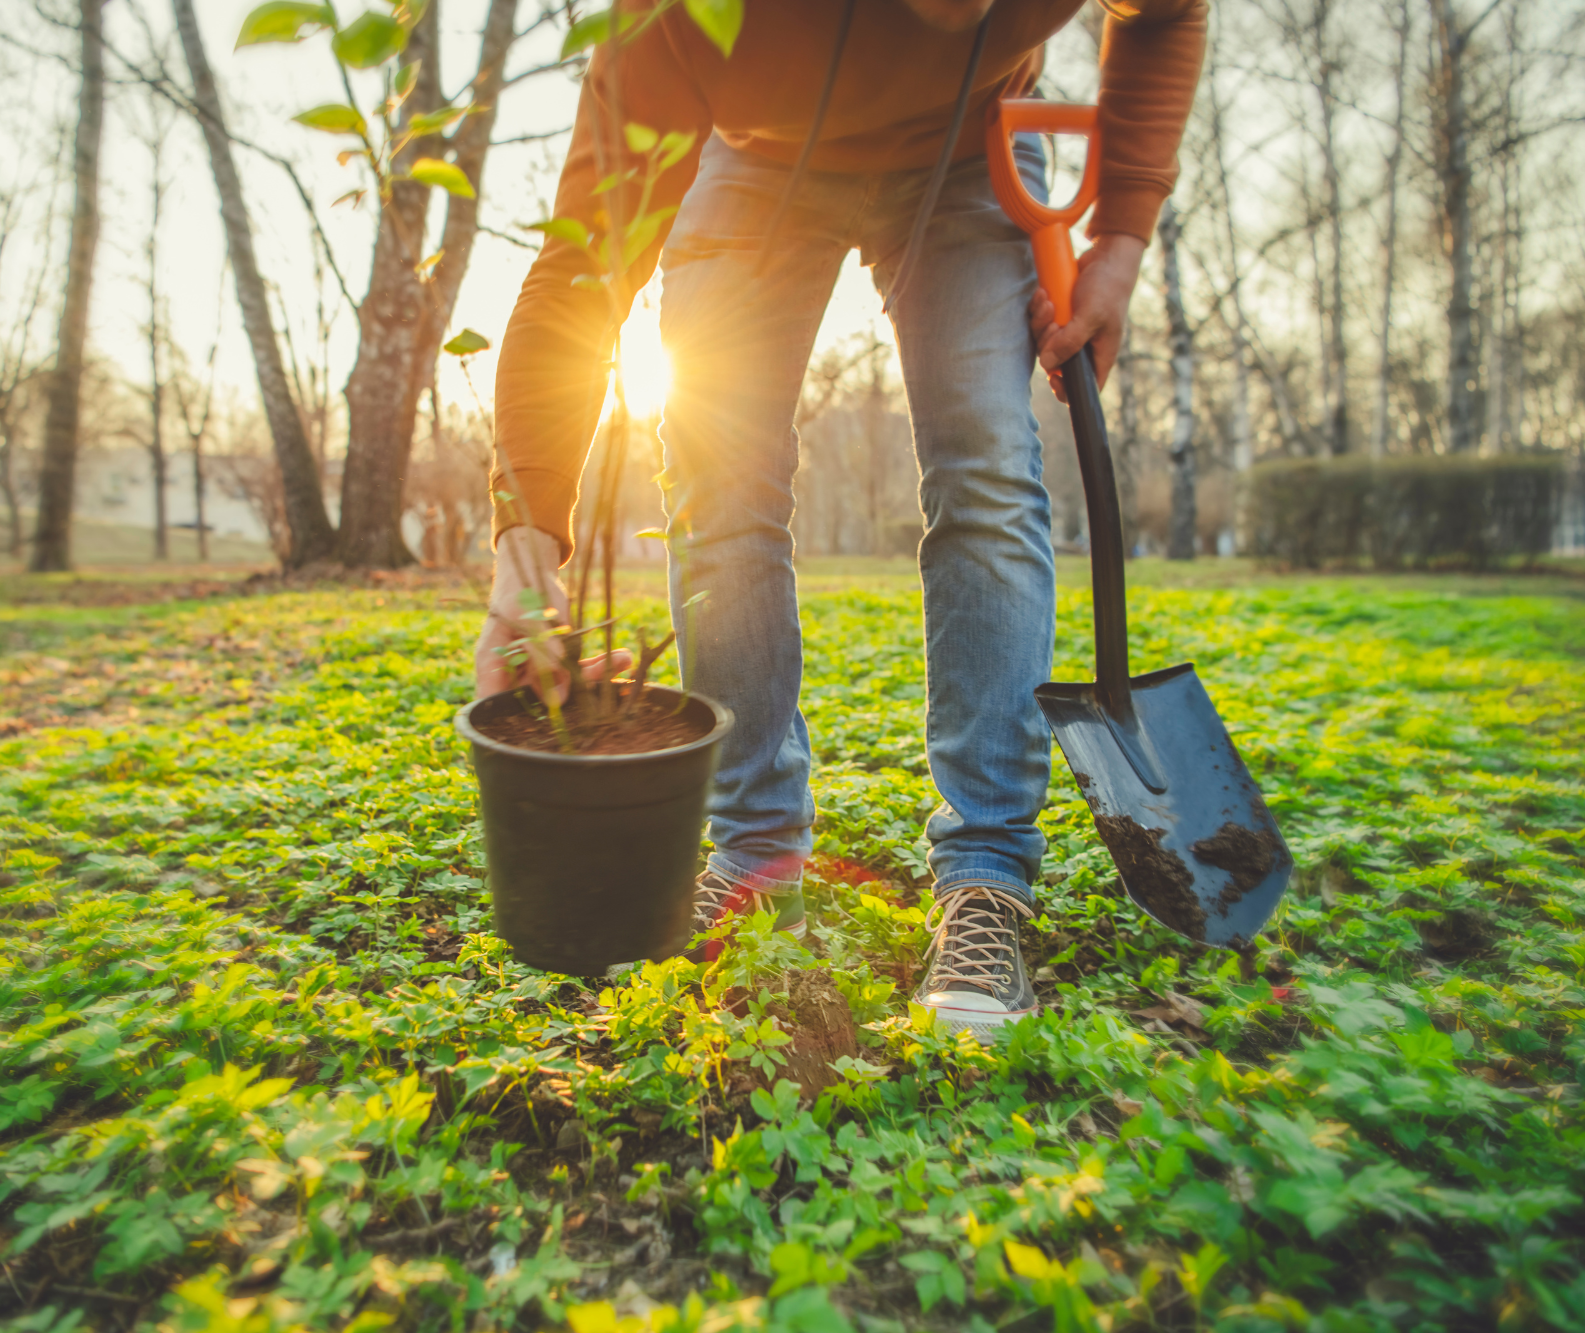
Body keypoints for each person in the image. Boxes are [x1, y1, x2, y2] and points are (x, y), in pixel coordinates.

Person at [474, 0, 1205, 1042]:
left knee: (988, 465)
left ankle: (987, 874)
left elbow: (1164, 13)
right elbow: (581, 263)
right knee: (718, 475)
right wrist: (524, 545)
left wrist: (1121, 240)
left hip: (973, 149)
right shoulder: (678, 17)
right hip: (751, 158)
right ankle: (755, 855)